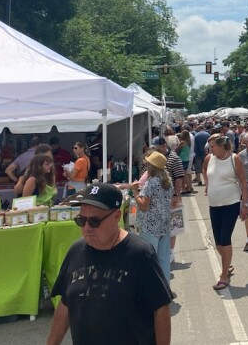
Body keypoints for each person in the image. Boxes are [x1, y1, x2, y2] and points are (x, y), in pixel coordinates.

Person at [46, 183, 172, 345]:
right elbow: (66, 303)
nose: (86, 228)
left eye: (94, 221)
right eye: (81, 220)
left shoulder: (140, 254)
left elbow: (161, 309)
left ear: (116, 217)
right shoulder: (75, 251)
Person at [203, 133, 248, 291]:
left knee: (225, 238)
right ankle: (227, 264)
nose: (210, 148)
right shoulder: (209, 158)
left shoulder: (233, 158)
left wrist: (245, 204)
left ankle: (224, 276)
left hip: (231, 202)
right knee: (217, 241)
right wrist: (208, 185)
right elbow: (205, 172)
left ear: (222, 146)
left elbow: (243, 181)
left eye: (213, 146)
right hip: (214, 203)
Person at [131, 151, 174, 288]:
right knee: (163, 259)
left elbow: (143, 206)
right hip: (163, 224)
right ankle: (165, 287)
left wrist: (135, 192)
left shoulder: (151, 183)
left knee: (149, 260)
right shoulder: (167, 182)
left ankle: (152, 290)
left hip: (150, 225)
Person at [152, 136, 184, 264]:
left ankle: (171, 252)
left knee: (173, 225)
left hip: (171, 196)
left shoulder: (174, 158)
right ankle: (162, 250)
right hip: (157, 198)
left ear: (164, 146)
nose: (155, 150)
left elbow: (179, 178)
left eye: (157, 148)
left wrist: (176, 195)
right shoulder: (154, 158)